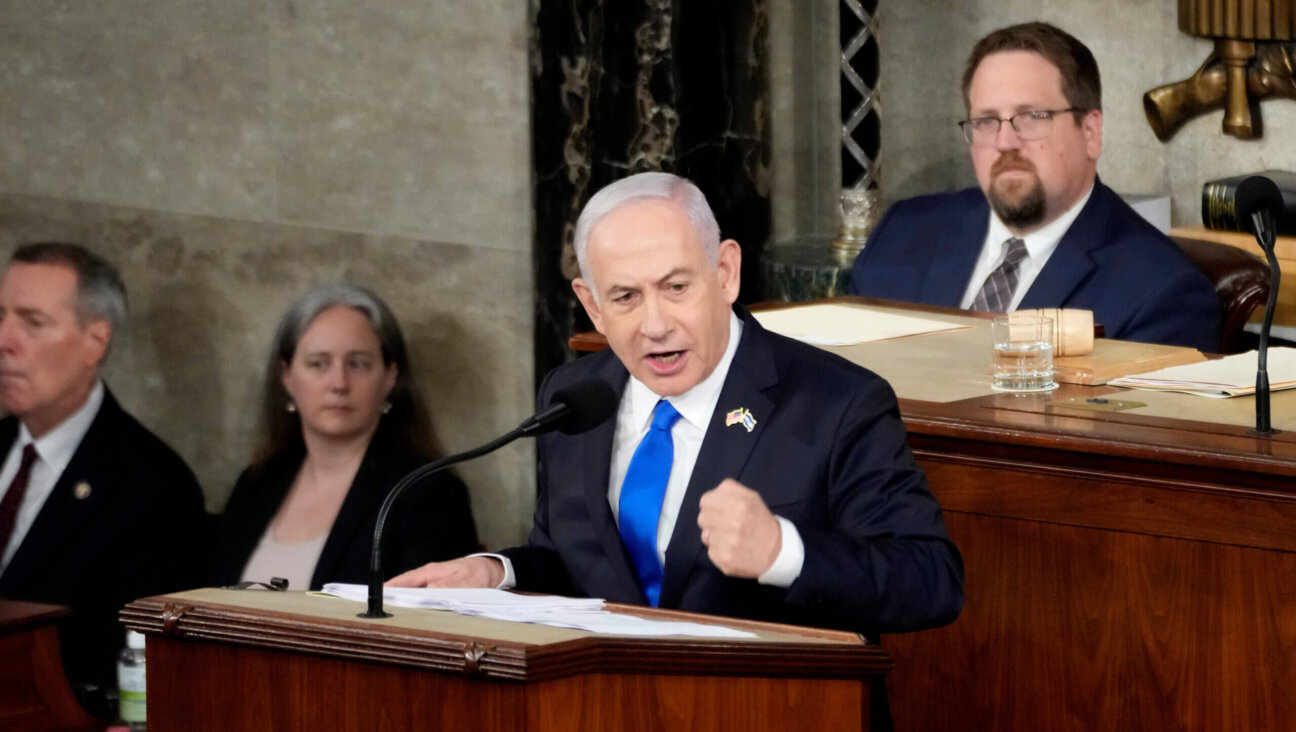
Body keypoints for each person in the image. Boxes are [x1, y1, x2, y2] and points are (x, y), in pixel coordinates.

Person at [391, 172, 963, 637]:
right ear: (592, 307)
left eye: (676, 287)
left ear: (725, 273)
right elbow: (575, 566)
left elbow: (931, 581)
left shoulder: (835, 402)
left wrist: (783, 552)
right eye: (626, 297)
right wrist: (498, 573)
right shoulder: (574, 399)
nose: (655, 325)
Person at [850, 22, 1221, 352]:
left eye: (1031, 117)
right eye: (985, 121)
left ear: (1091, 133)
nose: (1005, 141)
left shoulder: (1160, 292)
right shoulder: (903, 234)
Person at [0, 242, 206, 706]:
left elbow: (133, 668)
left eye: (32, 323)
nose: (4, 341)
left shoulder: (151, 486)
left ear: (95, 341)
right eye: (1, 316)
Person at [210, 283, 478, 592]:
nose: (338, 383)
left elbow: (430, 626)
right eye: (318, 364)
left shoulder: (429, 495)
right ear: (286, 377)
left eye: (358, 364)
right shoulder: (256, 484)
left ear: (390, 377)